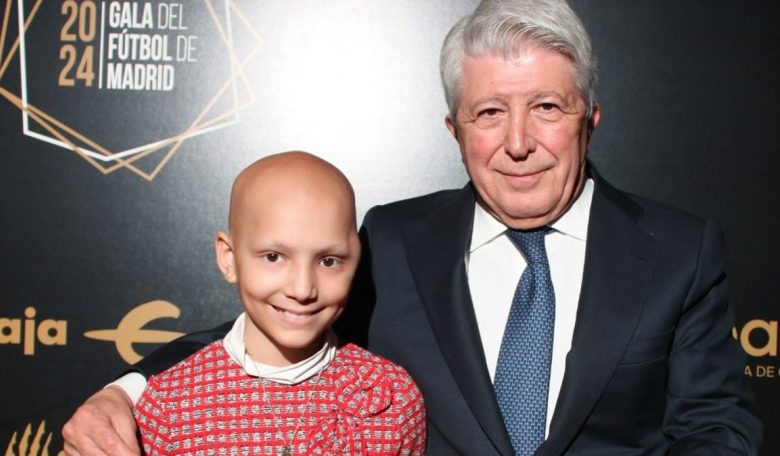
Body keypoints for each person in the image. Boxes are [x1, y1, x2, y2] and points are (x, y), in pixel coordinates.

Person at [63, 0, 762, 454]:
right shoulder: (397, 240)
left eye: (547, 108)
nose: (519, 142)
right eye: (490, 113)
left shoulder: (679, 251)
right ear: (454, 129)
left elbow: (717, 426)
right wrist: (125, 390)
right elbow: (284, 315)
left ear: (591, 118)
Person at [127, 151, 426, 455]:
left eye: (328, 261)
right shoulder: (168, 406)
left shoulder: (392, 396)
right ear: (229, 258)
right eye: (273, 257)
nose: (302, 289)